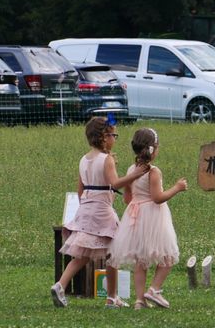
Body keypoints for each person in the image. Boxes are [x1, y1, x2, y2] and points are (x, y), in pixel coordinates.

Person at [50, 116, 150, 308]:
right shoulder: (107, 159)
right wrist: (134, 175)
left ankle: (60, 285)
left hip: (86, 208)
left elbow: (80, 190)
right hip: (103, 211)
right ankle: (112, 298)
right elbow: (115, 183)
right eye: (114, 135)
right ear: (104, 137)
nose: (115, 139)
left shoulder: (83, 159)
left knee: (82, 255)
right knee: (115, 252)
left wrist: (86, 209)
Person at [108, 128, 187, 310]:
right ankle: (154, 289)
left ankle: (139, 300)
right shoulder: (153, 171)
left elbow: (127, 198)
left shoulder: (131, 169)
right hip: (154, 215)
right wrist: (177, 187)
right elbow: (157, 197)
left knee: (140, 261)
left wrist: (136, 200)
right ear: (154, 149)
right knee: (167, 255)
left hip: (135, 215)